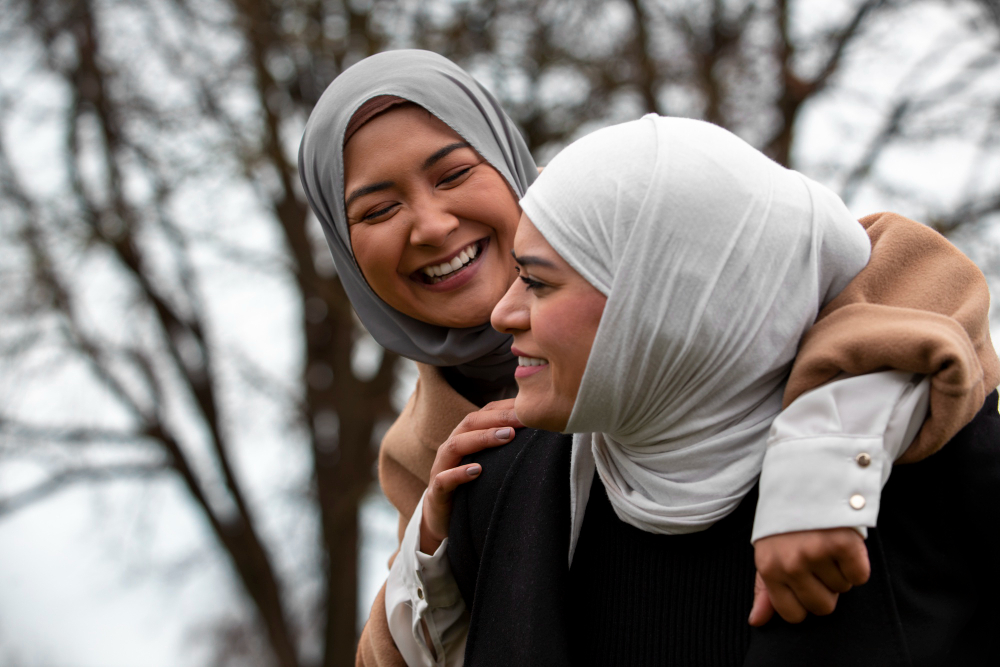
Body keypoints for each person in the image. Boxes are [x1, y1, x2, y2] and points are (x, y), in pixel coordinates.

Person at [296, 50, 999, 666]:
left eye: (452, 173)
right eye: (377, 210)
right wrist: (432, 554)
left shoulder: (660, 230)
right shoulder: (433, 458)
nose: (431, 223)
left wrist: (827, 459)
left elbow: (920, 285)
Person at [469, 114, 1000, 665]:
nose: (502, 312)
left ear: (668, 297)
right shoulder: (491, 491)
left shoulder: (941, 482)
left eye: (536, 281)